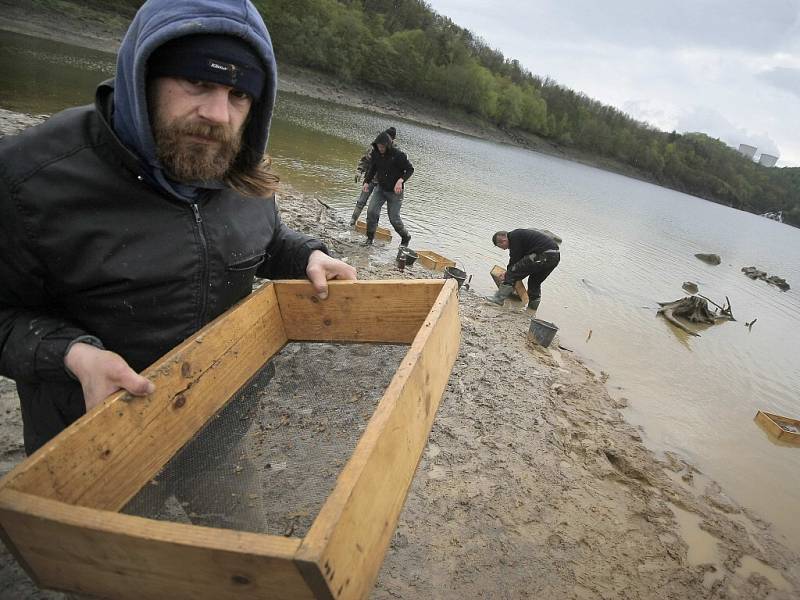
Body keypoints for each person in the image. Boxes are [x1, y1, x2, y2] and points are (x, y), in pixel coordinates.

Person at [0, 0, 356, 457]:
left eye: (239, 95)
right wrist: (73, 355)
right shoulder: (29, 178)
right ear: (142, 76)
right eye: (198, 81)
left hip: (216, 427)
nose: (218, 114)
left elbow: (262, 243)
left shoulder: (237, 167)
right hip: (96, 443)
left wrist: (306, 254)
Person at [486, 229, 561, 311]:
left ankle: (497, 300)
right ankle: (531, 310)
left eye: (502, 247)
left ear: (503, 241)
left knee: (512, 273)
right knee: (534, 282)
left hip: (543, 255)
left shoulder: (514, 236)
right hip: (554, 257)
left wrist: (507, 273)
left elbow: (515, 259)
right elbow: (521, 261)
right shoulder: (520, 237)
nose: (504, 249)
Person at [362, 130, 414, 246]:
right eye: (378, 146)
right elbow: (373, 169)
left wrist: (401, 181)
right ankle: (369, 239)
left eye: (382, 146)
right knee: (371, 212)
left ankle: (405, 237)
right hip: (380, 188)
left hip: (395, 192)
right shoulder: (376, 154)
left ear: (388, 145)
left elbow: (410, 170)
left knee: (394, 219)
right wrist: (366, 181)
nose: (380, 148)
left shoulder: (399, 155)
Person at [350, 126, 396, 226]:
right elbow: (365, 160)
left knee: (374, 208)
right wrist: (359, 171)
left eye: (389, 138)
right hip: (369, 179)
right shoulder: (375, 146)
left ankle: (371, 228)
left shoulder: (395, 151)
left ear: (393, 139)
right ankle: (352, 222)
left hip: (381, 184)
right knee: (361, 201)